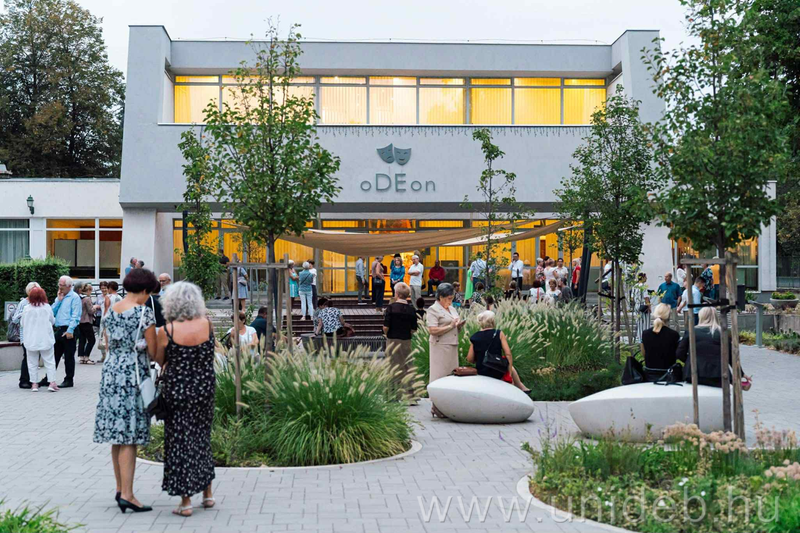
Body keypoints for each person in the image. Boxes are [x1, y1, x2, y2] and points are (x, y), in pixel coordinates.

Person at [93, 268, 158, 514]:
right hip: (133, 374)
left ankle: (120, 489)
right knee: (130, 434)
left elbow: (108, 343)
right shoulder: (144, 313)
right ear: (144, 290)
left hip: (111, 373)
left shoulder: (112, 310)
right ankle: (129, 495)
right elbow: (153, 350)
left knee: (117, 435)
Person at [153, 281, 216, 517]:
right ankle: (208, 494)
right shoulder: (207, 325)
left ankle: (186, 502)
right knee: (202, 436)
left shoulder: (167, 330)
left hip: (178, 390)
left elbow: (160, 360)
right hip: (204, 388)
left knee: (180, 440)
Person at [677, 307, 751, 388]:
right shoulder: (722, 333)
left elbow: (679, 353)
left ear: (700, 316)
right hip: (718, 374)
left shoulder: (691, 332)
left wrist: (689, 361)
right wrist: (741, 373)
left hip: (693, 373)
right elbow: (731, 356)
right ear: (715, 316)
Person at [426, 283, 465, 418]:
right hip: (440, 346)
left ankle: (446, 405)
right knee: (439, 375)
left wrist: (458, 326)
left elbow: (454, 325)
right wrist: (450, 326)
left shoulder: (452, 309)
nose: (450, 301)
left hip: (452, 344)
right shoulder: (433, 310)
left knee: (450, 376)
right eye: (448, 298)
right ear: (441, 297)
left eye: (452, 298)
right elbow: (432, 330)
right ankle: (436, 405)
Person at [467, 311, 531, 393]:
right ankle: (521, 388)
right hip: (497, 370)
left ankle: (521, 387)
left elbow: (469, 359)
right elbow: (508, 354)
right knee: (509, 365)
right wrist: (509, 374)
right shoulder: (499, 333)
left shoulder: (474, 336)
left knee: (508, 366)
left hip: (481, 371)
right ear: (493, 321)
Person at [20, 287, 58, 392]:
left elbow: (22, 323)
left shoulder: (27, 308)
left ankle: (34, 384)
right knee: (49, 362)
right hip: (46, 338)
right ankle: (52, 383)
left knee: (32, 363)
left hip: (31, 339)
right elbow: (52, 321)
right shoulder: (47, 307)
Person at [383, 283, 417, 391]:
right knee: (407, 366)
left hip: (393, 340)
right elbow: (414, 329)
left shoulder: (391, 308)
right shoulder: (412, 310)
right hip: (406, 340)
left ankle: (393, 393)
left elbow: (386, 327)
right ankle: (410, 393)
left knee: (393, 366)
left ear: (397, 294)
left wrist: (386, 334)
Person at [49, 276, 81, 388]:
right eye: (59, 284)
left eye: (62, 285)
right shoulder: (60, 297)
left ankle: (69, 379)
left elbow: (76, 315)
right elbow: (51, 312)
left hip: (69, 329)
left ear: (69, 286)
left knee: (68, 356)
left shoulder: (74, 297)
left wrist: (70, 330)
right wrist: (58, 300)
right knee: (54, 355)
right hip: (60, 329)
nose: (60, 287)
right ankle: (49, 378)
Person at [640, 303, 681, 382]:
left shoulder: (645, 334)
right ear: (668, 316)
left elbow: (644, 354)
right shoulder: (674, 335)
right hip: (669, 374)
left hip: (649, 374)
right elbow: (678, 354)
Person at [11, 282, 40, 389]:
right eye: (32, 289)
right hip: (26, 335)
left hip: (38, 334)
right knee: (27, 356)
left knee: (36, 357)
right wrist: (25, 312)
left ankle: (33, 380)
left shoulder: (40, 302)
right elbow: (15, 319)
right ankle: (23, 380)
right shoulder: (24, 303)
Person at [78, 283, 97, 365]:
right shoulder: (87, 299)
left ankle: (81, 357)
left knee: (82, 339)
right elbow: (90, 311)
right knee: (92, 340)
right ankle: (86, 357)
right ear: (88, 290)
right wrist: (95, 308)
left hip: (79, 321)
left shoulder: (79, 298)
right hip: (87, 321)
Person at [632, 272, 651, 343]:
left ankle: (639, 337)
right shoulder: (643, 286)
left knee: (639, 322)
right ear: (642, 278)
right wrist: (649, 306)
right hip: (643, 306)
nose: (646, 278)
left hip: (637, 305)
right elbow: (646, 298)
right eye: (645, 277)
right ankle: (645, 337)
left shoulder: (635, 286)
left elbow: (632, 297)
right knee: (646, 323)